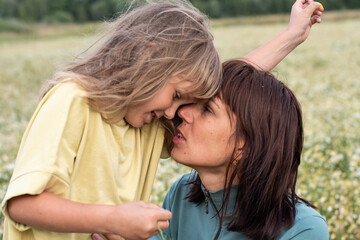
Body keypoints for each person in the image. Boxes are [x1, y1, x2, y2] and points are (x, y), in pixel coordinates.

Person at [1, 0, 324, 239]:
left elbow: (235, 100)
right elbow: (21, 205)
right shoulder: (72, 100)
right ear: (149, 61)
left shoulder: (146, 123)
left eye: (190, 103)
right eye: (177, 95)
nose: (176, 113)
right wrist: (111, 219)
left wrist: (292, 35)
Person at [149, 60, 329, 240]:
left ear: (245, 145)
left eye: (207, 109)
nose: (182, 113)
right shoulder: (181, 193)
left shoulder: (303, 229)